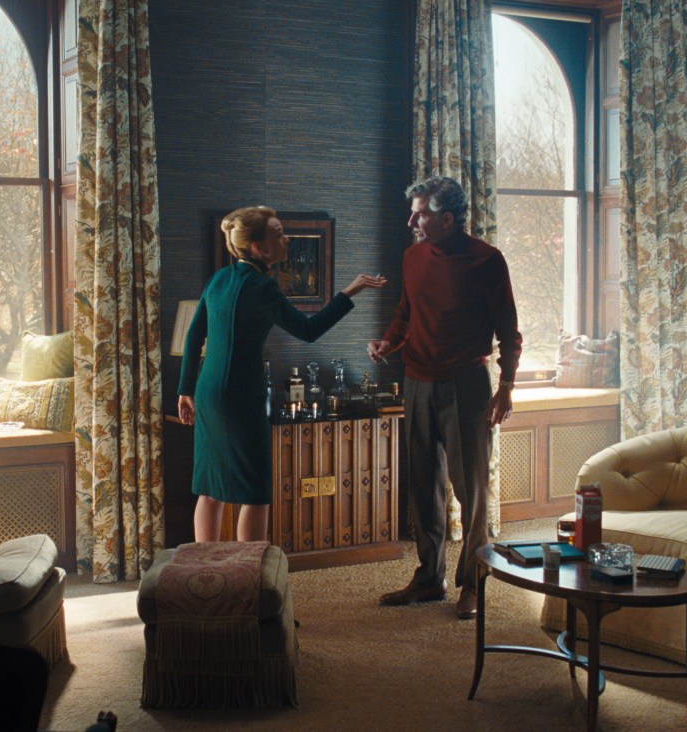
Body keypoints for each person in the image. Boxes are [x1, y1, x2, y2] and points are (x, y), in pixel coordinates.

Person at [178, 206, 386, 543]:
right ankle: (250, 569)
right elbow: (308, 330)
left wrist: (185, 389)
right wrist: (350, 292)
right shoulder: (262, 287)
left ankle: (205, 566)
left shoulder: (219, 279)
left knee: (210, 487)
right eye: (278, 234)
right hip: (242, 395)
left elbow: (193, 337)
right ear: (258, 248)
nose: (286, 239)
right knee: (255, 490)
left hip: (208, 392)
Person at [368, 176, 522, 619]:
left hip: (467, 386)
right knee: (422, 486)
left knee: (471, 491)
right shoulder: (413, 257)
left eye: (420, 214)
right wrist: (388, 342)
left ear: (448, 218)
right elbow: (406, 312)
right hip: (416, 382)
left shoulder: (487, 261)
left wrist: (506, 386)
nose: (411, 222)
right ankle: (429, 579)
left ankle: (472, 583)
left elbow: (508, 332)